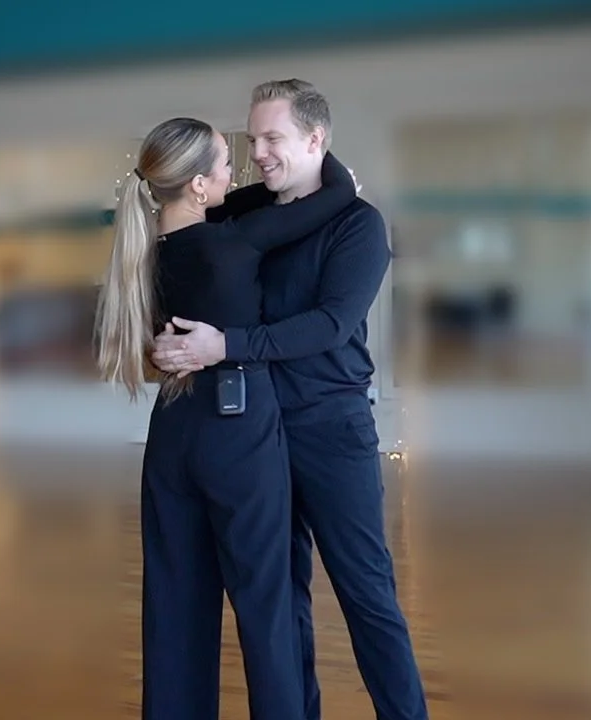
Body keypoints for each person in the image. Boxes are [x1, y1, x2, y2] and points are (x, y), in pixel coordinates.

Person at [151, 79, 429, 720]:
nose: (261, 152)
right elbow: (184, 252)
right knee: (283, 602)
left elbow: (330, 324)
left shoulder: (359, 224)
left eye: (274, 138)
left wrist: (227, 346)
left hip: (331, 432)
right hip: (255, 434)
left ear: (316, 140)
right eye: (253, 140)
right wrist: (164, 346)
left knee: (367, 597)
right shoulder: (246, 213)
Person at [93, 116, 357, 720]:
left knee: (175, 604)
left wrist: (211, 187)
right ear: (197, 188)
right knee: (266, 605)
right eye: (223, 164)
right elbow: (338, 193)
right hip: (238, 427)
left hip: (172, 431)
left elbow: (223, 200)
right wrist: (317, 148)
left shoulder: (147, 254)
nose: (237, 172)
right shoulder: (233, 243)